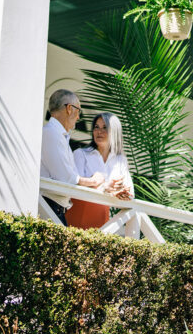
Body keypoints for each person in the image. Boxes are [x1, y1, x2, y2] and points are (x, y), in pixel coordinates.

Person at [40, 89, 104, 225]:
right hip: (48, 207)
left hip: (56, 209)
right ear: (69, 108)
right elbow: (68, 178)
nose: (78, 117)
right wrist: (93, 181)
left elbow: (72, 177)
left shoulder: (59, 136)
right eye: (78, 111)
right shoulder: (51, 133)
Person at [69, 113, 135, 229]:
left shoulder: (121, 160)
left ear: (114, 132)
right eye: (96, 127)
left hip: (103, 222)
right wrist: (105, 188)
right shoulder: (80, 154)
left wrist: (120, 190)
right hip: (78, 216)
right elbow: (75, 184)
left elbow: (130, 194)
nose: (99, 131)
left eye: (105, 127)